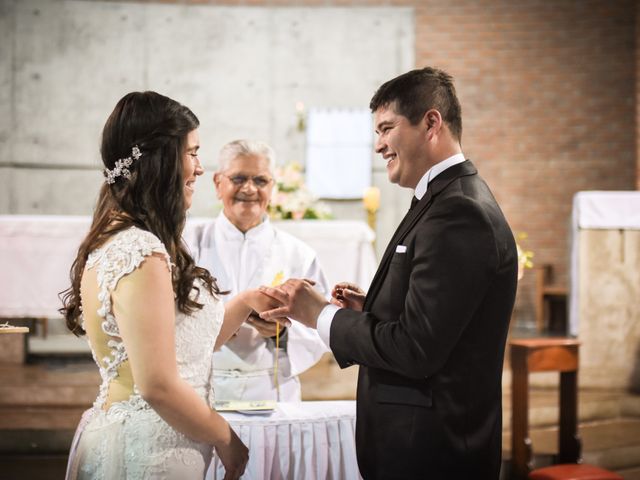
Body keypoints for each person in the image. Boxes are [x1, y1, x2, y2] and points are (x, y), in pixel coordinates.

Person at [260, 67, 518, 479]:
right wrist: (376, 305)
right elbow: (439, 319)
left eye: (386, 128)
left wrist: (318, 315)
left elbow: (417, 349)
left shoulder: (459, 211)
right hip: (421, 444)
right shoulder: (441, 198)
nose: (378, 145)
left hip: (434, 452)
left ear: (431, 123)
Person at [60, 92, 285, 480]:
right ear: (162, 160)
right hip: (151, 453)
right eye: (193, 153)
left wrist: (247, 301)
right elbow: (158, 385)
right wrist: (227, 440)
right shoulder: (142, 252)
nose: (198, 168)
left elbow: (180, 345)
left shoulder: (121, 237)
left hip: (139, 438)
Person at [194, 139, 329, 402]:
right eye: (239, 178)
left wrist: (282, 332)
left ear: (272, 187)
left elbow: (320, 324)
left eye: (260, 181)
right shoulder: (189, 245)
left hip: (271, 389)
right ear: (217, 182)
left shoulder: (298, 254)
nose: (249, 188)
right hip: (203, 389)